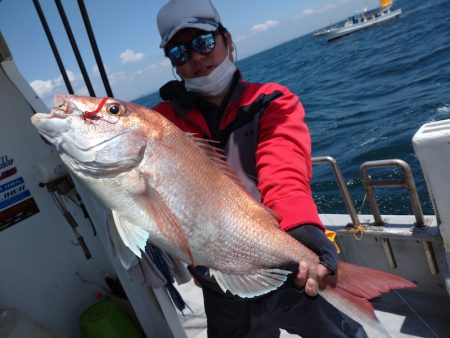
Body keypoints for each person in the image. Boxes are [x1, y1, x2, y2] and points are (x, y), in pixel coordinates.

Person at [153, 1, 367, 337]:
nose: (195, 58)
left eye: (203, 42)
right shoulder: (162, 125)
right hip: (218, 283)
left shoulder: (270, 100)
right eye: (179, 53)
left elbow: (284, 171)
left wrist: (300, 230)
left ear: (227, 39)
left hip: (282, 270)